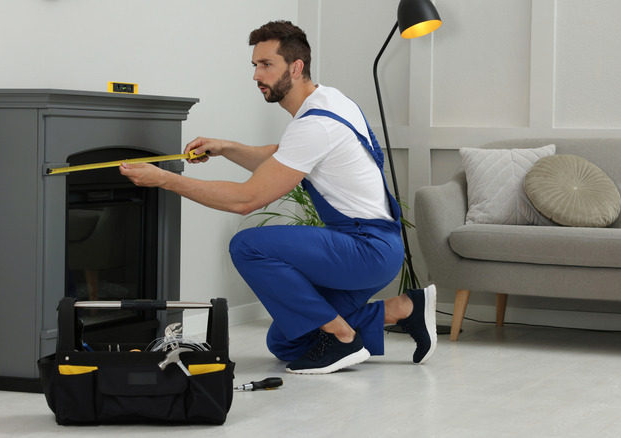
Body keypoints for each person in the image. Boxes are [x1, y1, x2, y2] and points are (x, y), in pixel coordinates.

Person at [120, 20, 436, 374]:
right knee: (287, 341)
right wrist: (225, 148)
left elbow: (246, 200)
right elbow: (283, 158)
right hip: (374, 246)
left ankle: (342, 335)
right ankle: (404, 309)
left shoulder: (314, 125)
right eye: (255, 65)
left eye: (266, 64)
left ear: (296, 67)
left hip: (365, 248)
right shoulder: (329, 100)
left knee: (248, 245)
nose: (257, 75)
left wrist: (164, 179)